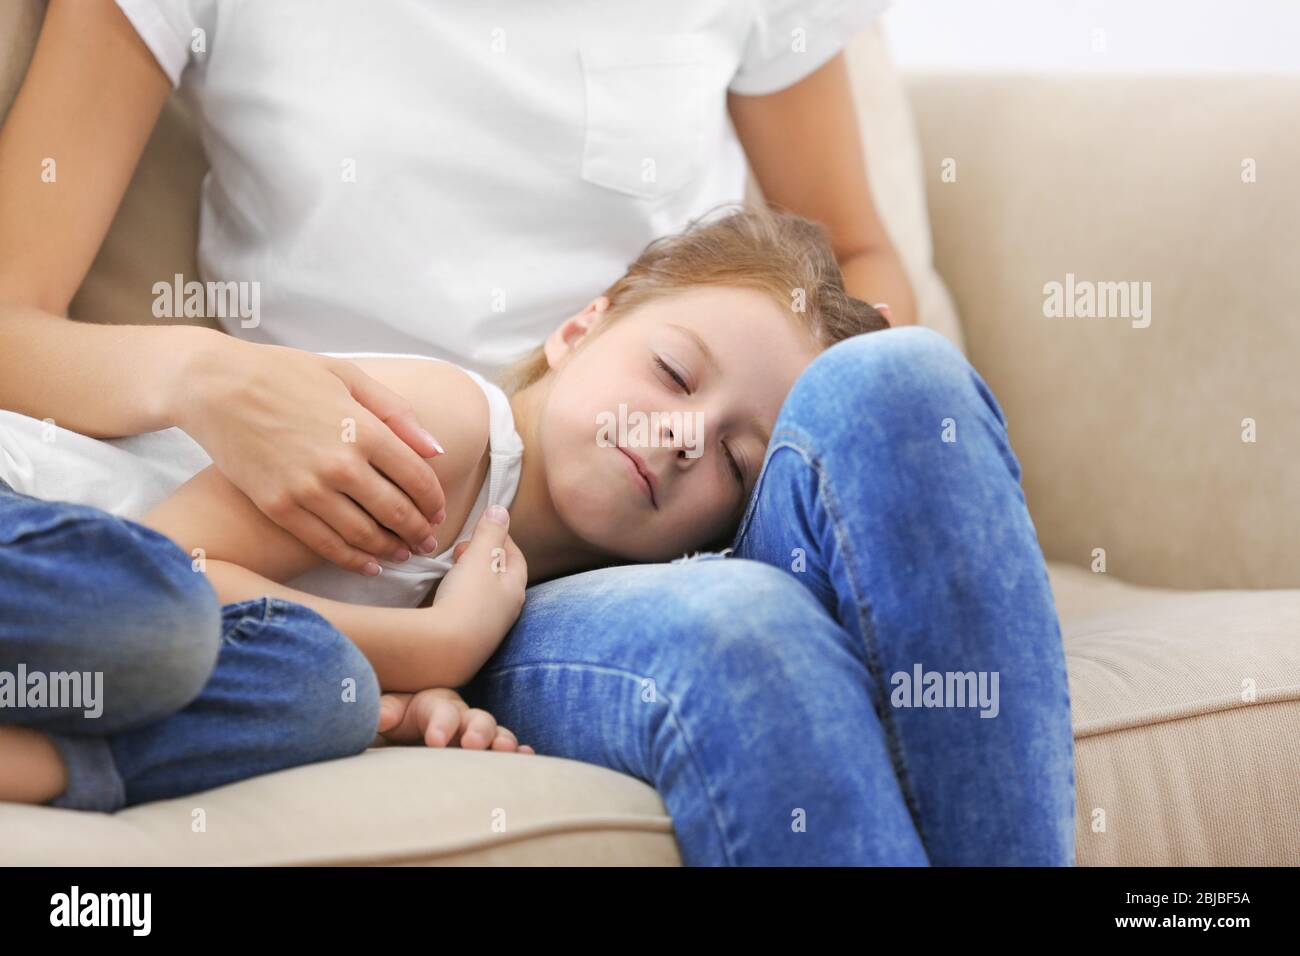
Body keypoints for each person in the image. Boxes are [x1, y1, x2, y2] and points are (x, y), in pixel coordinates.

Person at [0, 0, 1075, 864]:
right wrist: (212, 376)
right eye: (668, 378)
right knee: (744, 631)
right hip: (386, 517)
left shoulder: (707, 444)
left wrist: (783, 465)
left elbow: (850, 260)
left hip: (655, 538)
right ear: (582, 327)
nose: (676, 433)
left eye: (725, 443)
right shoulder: (432, 426)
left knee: (903, 374)